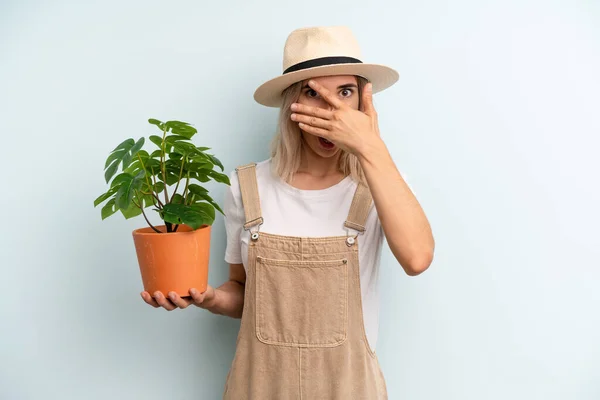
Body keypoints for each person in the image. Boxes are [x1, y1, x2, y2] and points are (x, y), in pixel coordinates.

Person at [141, 25, 434, 399]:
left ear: (364, 102)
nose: (333, 110)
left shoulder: (382, 185)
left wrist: (370, 147)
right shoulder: (248, 187)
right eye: (313, 93)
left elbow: (417, 258)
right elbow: (247, 294)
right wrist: (211, 298)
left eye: (345, 93)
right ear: (291, 103)